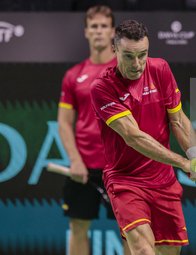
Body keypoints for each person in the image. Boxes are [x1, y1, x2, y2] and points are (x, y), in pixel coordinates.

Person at [90, 20, 196, 255]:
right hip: (126, 180)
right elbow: (133, 137)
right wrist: (185, 164)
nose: (137, 63)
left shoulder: (160, 69)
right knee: (142, 249)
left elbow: (179, 120)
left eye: (143, 55)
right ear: (114, 50)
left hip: (164, 182)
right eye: (129, 56)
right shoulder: (102, 88)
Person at [57, 6, 129, 255]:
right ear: (86, 32)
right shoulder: (73, 76)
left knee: (130, 231)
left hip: (119, 167)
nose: (99, 31)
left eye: (104, 26)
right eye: (94, 26)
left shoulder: (124, 71)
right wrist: (75, 161)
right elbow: (64, 122)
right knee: (78, 227)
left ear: (112, 32)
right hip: (84, 167)